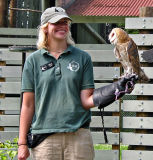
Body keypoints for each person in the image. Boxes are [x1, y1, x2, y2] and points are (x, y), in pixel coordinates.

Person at [17, 7, 137, 160]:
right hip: (45, 140)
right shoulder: (33, 61)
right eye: (57, 22)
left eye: (65, 22)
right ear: (45, 28)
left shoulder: (82, 58)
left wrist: (116, 89)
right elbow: (27, 105)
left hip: (78, 137)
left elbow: (86, 100)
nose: (62, 26)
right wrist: (22, 143)